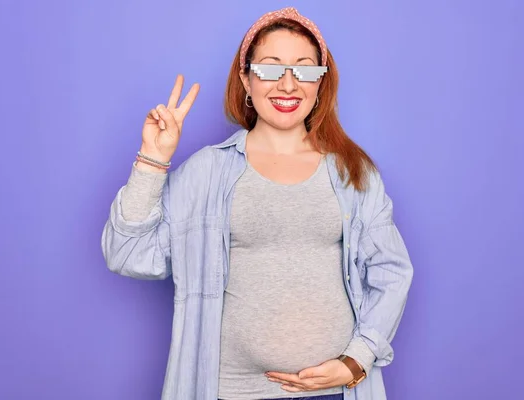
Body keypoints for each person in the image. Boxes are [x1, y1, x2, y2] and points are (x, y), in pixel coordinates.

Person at [101, 6, 413, 400]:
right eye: (270, 68)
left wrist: (356, 360)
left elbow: (393, 271)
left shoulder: (354, 171)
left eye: (304, 69)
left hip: (334, 393)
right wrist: (152, 160)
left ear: (321, 84)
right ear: (246, 80)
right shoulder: (207, 172)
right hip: (229, 392)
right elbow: (126, 254)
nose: (288, 84)